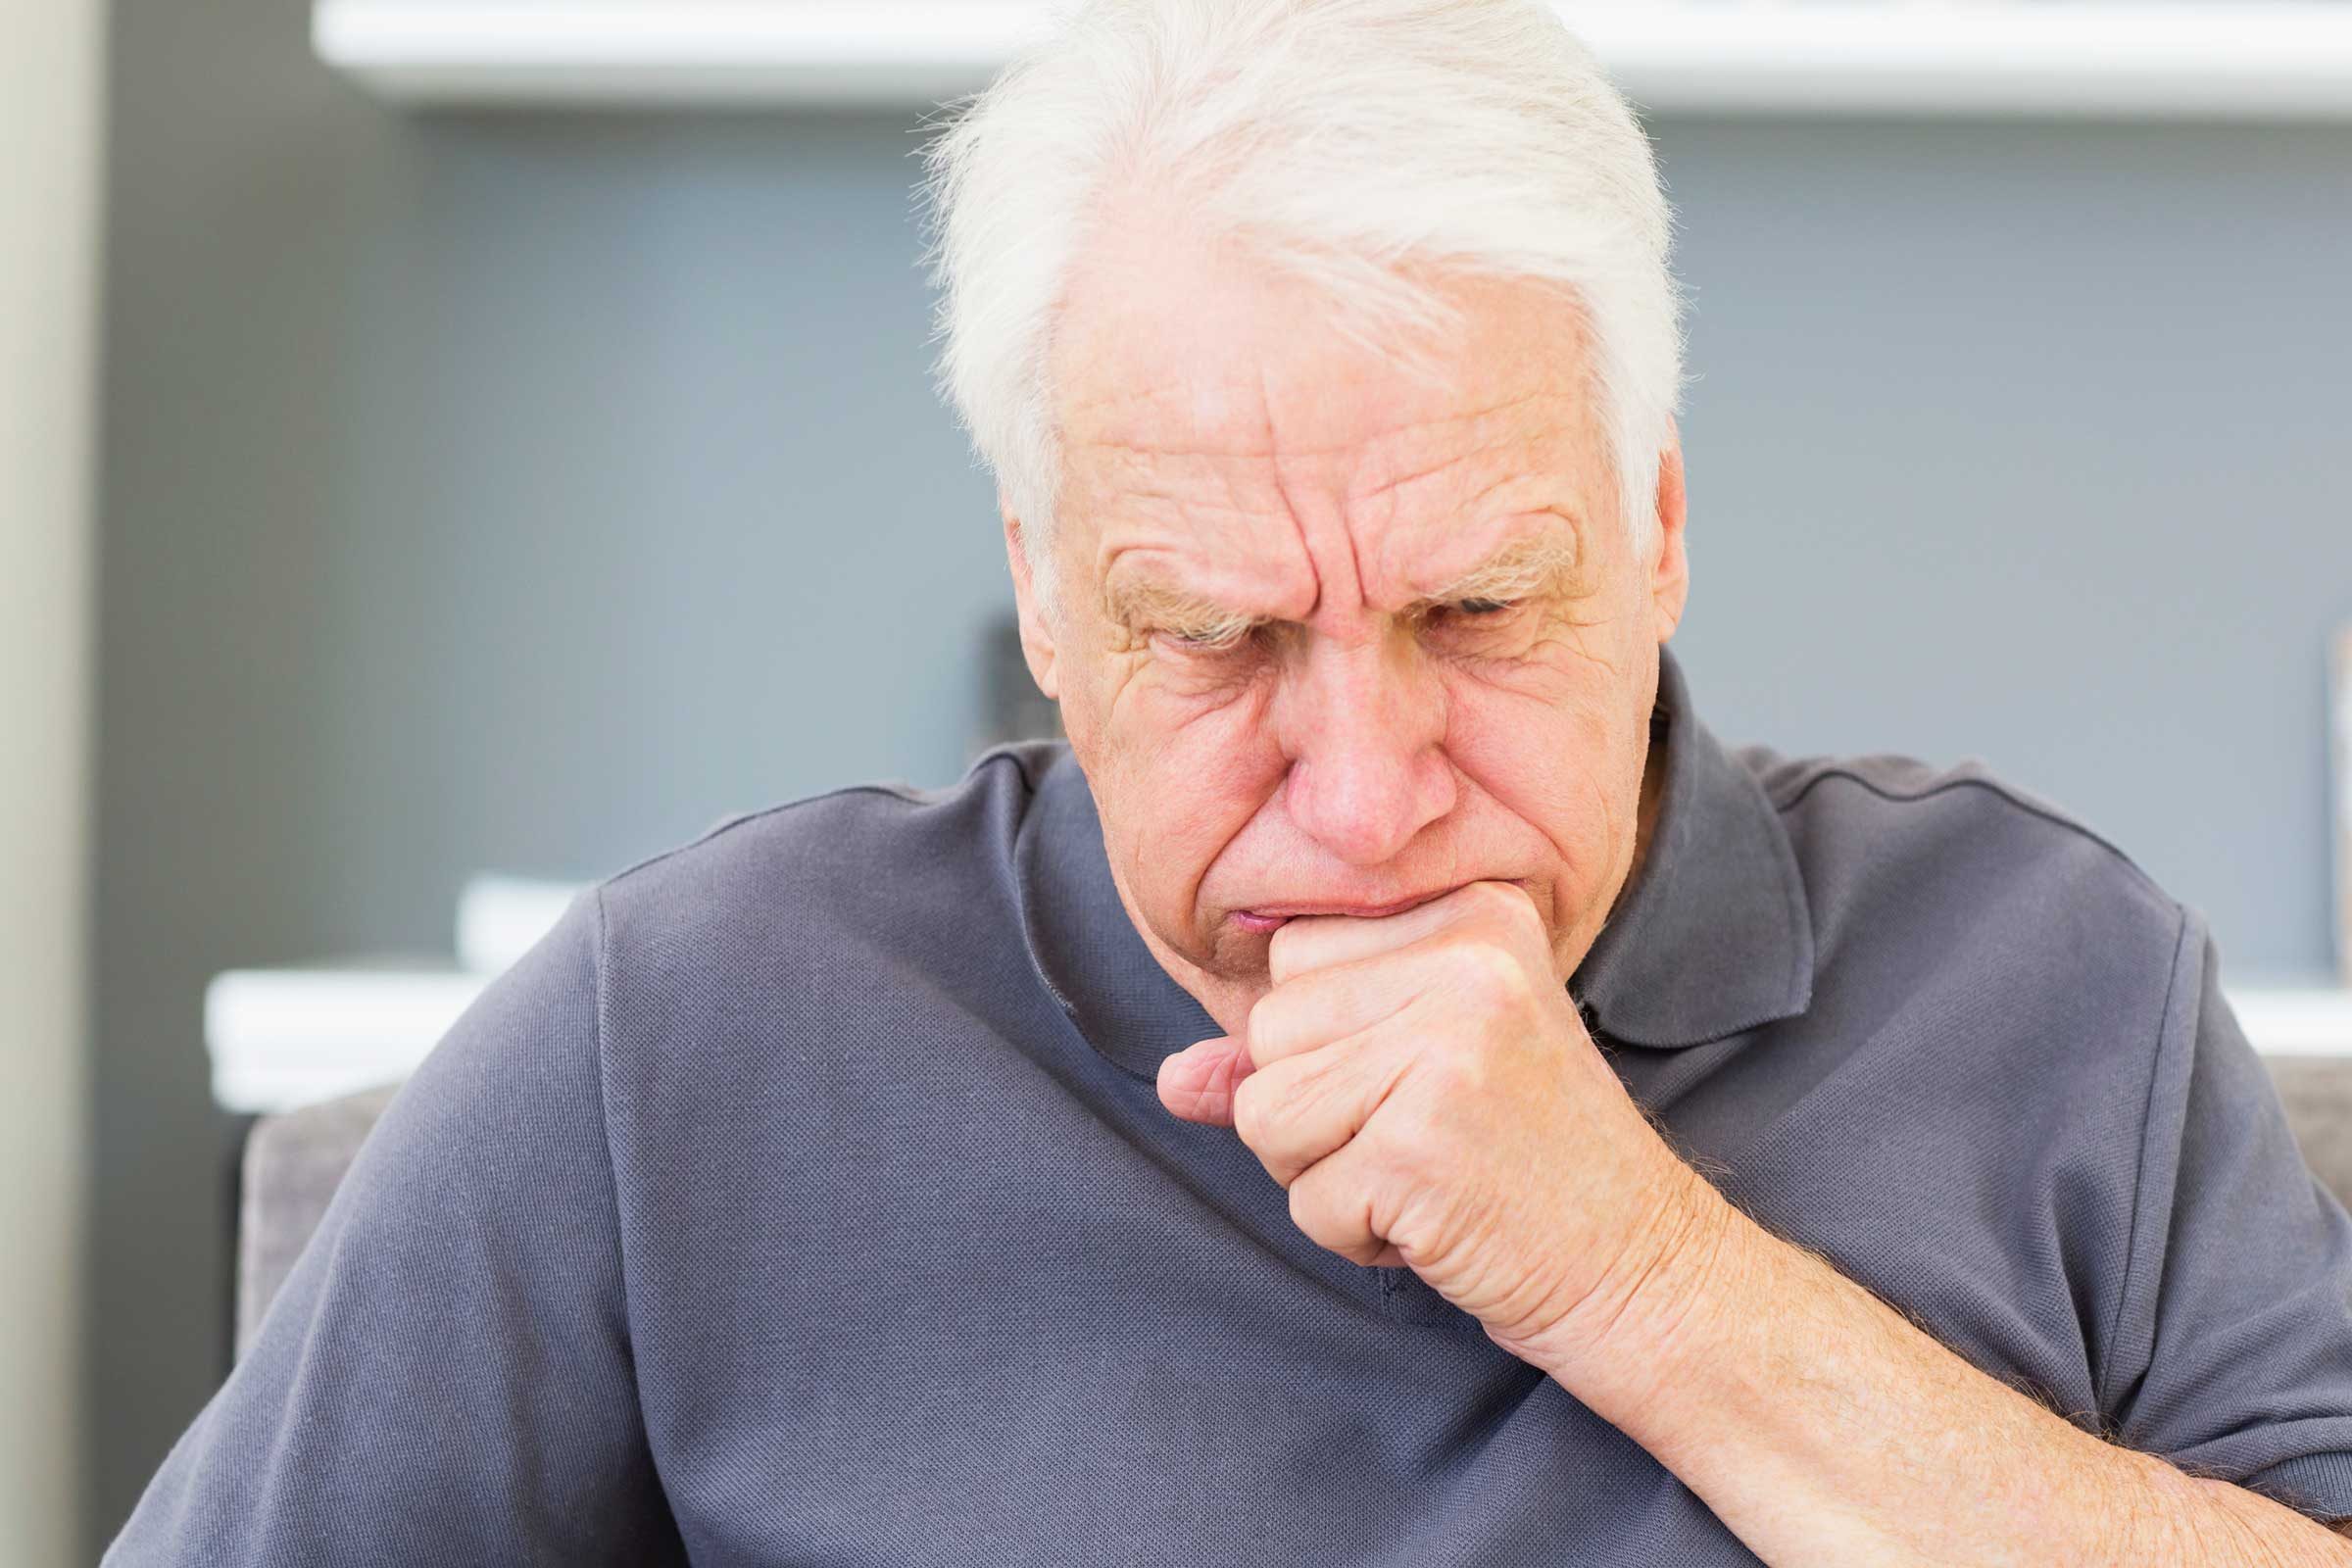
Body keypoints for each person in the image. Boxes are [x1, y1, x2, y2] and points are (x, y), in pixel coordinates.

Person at [109, 1, 2352, 1562]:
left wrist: (1635, 1269)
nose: (1368, 798)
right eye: (1221, 636)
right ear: (1051, 600)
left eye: (1477, 610)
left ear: (1658, 529)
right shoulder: (671, 1040)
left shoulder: (2061, 992)